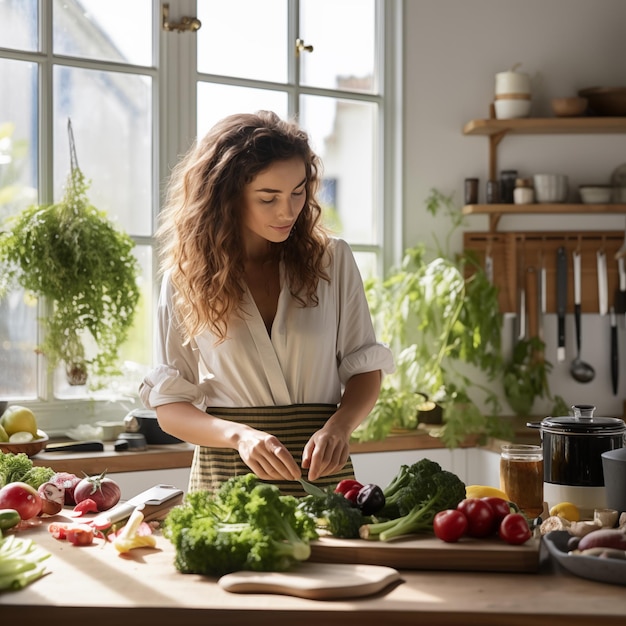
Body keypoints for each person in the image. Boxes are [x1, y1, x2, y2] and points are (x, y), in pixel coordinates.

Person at [139, 110, 394, 496]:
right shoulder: (185, 277)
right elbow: (170, 408)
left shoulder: (333, 261)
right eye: (268, 197)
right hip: (227, 483)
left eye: (297, 192)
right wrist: (239, 436)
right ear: (227, 197)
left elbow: (365, 368)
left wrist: (340, 426)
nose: (288, 211)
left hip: (322, 479)